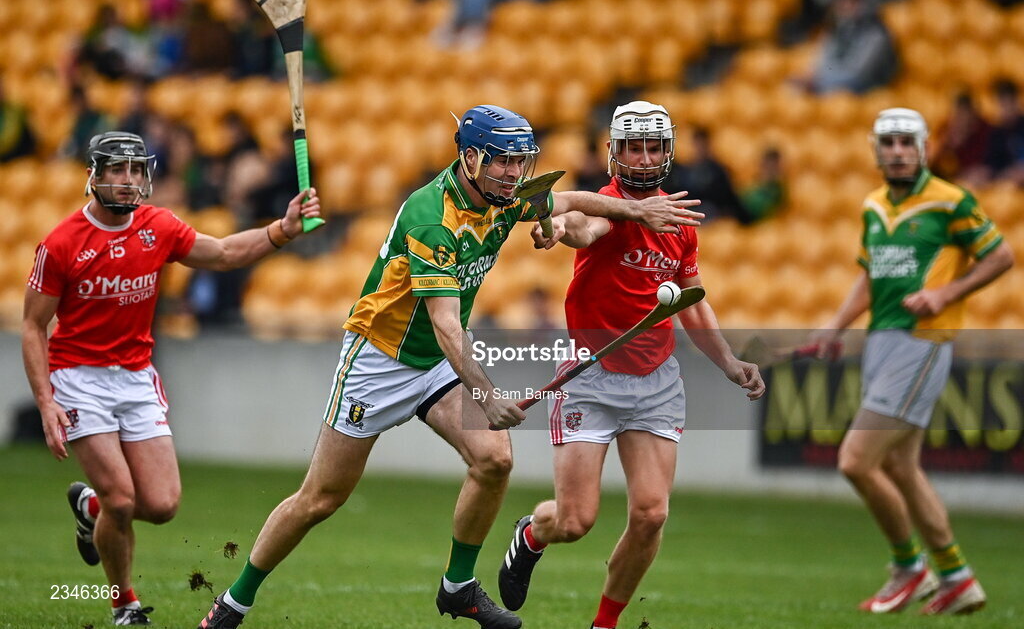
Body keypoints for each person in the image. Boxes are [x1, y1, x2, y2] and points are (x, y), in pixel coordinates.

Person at [195, 104, 703, 629]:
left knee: (494, 459)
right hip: (380, 359)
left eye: (520, 161)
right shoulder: (431, 217)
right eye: (503, 161)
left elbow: (572, 200)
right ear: (471, 158)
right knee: (320, 499)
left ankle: (457, 588)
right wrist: (487, 395)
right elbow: (444, 323)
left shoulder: (503, 195)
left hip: (438, 361)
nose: (515, 173)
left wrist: (637, 212)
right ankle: (233, 603)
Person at [22, 131, 321, 626]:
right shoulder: (61, 244)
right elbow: (33, 326)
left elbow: (222, 252)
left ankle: (90, 509)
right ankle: (124, 603)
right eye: (116, 170)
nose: (128, 180)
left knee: (161, 505)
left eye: (136, 170)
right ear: (93, 176)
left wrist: (282, 230)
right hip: (78, 378)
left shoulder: (156, 226)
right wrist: (45, 400)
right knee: (123, 499)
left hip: (136, 376)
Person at [496, 101, 766, 629]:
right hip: (589, 379)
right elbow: (581, 227)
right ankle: (531, 534)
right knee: (574, 521)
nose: (643, 158)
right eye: (633, 147)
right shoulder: (609, 206)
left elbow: (692, 301)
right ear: (613, 152)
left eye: (653, 147)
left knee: (651, 513)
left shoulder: (679, 221)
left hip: (655, 381)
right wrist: (555, 229)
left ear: (668, 152)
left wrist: (729, 362)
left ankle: (605, 624)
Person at [808, 108, 1013, 615]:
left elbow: (1001, 256)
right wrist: (835, 326)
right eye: (888, 142)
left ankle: (909, 567)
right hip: (882, 338)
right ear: (876, 151)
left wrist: (946, 294)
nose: (897, 151)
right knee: (900, 467)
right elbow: (870, 275)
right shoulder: (874, 205)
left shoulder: (951, 200)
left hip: (922, 339)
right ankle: (958, 578)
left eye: (906, 142)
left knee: (856, 460)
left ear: (923, 148)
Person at [790, 0, 897, 95]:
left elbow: (857, 75)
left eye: (852, 0)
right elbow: (824, 62)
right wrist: (810, 78)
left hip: (865, 96)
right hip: (833, 88)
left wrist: (818, 84)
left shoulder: (876, 33)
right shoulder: (838, 27)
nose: (844, 5)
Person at [671, 127, 752, 224]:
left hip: (712, 214)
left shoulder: (718, 170)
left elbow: (728, 197)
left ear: (708, 145)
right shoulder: (684, 171)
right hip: (691, 211)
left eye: (702, 145)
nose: (700, 149)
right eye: (697, 145)